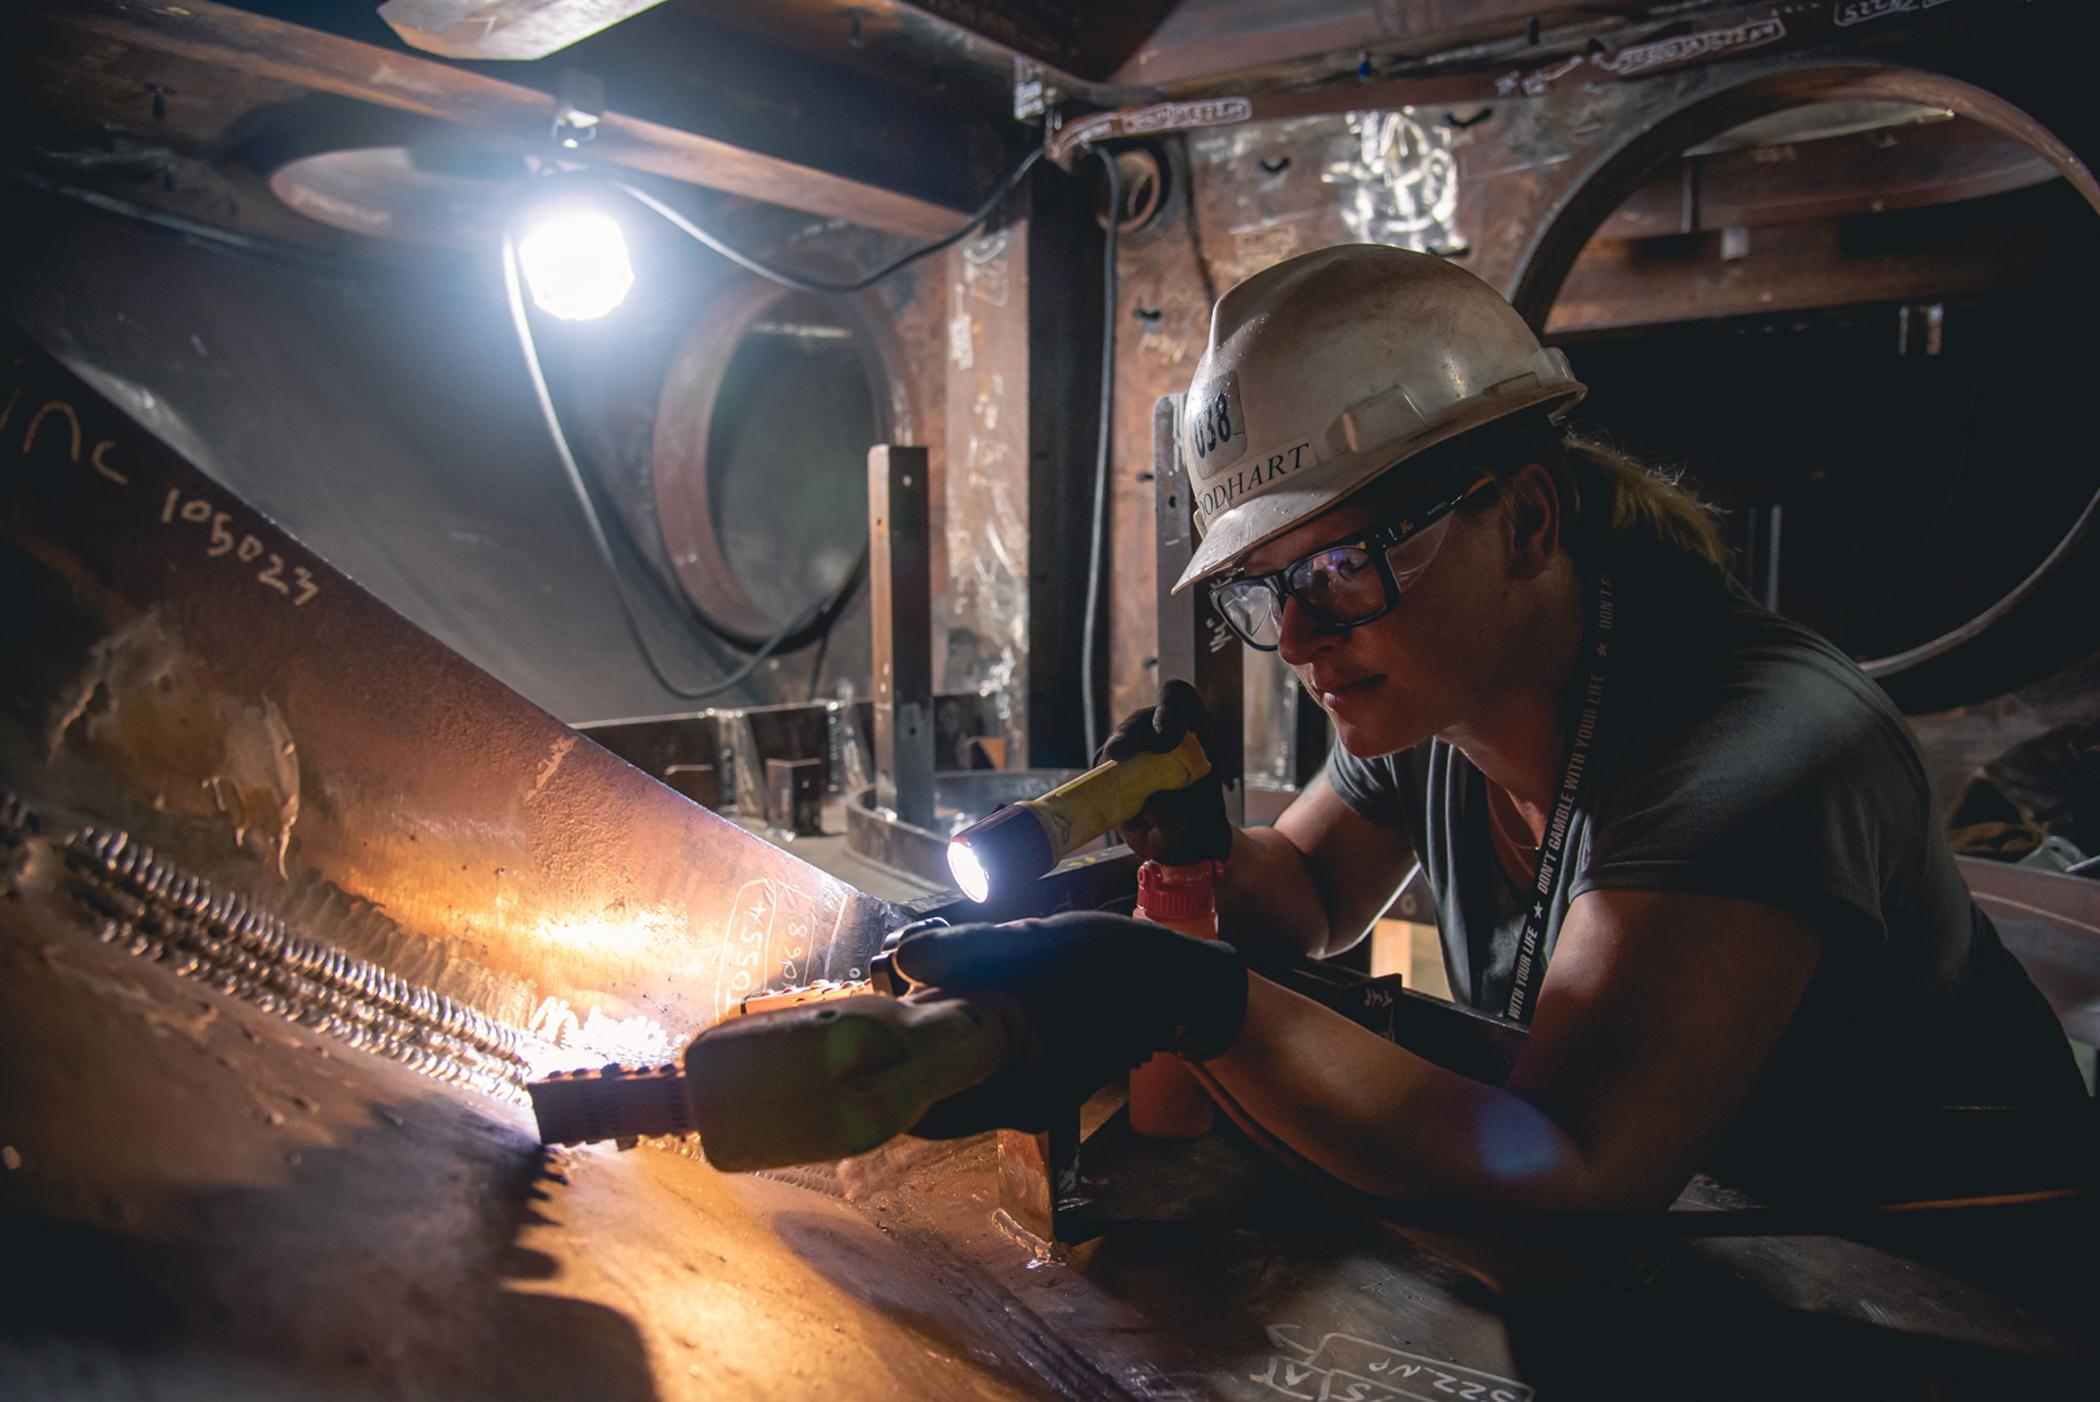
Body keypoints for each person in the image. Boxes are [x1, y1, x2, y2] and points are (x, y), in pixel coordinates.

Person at [892, 244, 2085, 1212]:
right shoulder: (1432, 695)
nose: (1299, 636)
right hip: (1714, 1248)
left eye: (1343, 564)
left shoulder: (1758, 751)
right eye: (1262, 586)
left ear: (1522, 520)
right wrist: (1183, 863)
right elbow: (1306, 887)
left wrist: (1198, 1003)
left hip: (1949, 1295)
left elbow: (1570, 1184)